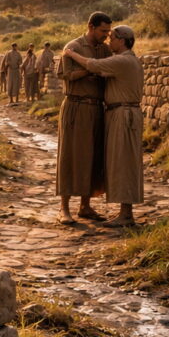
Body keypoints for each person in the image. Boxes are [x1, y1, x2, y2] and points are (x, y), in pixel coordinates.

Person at [63, 25, 143, 227]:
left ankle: (126, 214)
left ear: (122, 40)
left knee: (124, 162)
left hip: (123, 114)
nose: (109, 41)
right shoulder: (125, 60)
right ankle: (124, 212)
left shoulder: (123, 60)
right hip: (119, 113)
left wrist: (71, 54)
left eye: (112, 37)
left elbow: (92, 64)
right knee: (119, 161)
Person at [56, 12, 112, 224]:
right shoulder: (73, 47)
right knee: (71, 155)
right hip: (76, 105)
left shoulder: (105, 49)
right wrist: (89, 69)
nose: (106, 36)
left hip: (97, 108)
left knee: (92, 156)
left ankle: (85, 206)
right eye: (102, 31)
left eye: (108, 32)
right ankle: (64, 208)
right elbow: (65, 74)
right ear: (91, 26)